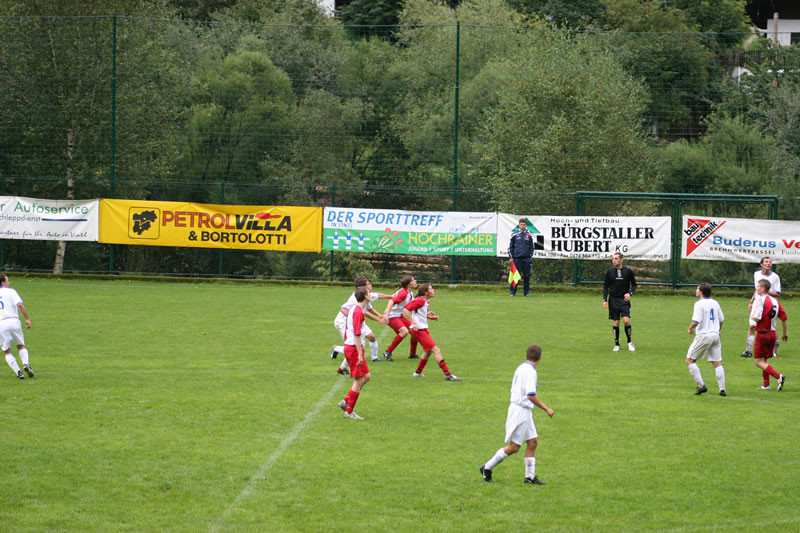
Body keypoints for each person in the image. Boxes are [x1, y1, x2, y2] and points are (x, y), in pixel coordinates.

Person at [479, 344, 554, 485]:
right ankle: (486, 467)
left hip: (523, 410)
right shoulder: (531, 372)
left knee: (533, 442)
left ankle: (530, 477)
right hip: (521, 411)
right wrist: (546, 408)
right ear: (540, 358)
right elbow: (531, 395)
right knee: (514, 447)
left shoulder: (521, 367)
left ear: (526, 356)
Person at [330, 277, 389, 374]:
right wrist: (353, 318)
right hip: (343, 323)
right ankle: (340, 360)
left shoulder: (364, 298)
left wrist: (379, 317)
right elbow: (343, 309)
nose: (371, 285)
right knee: (353, 346)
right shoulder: (355, 299)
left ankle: (344, 367)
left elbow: (367, 310)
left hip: (356, 322)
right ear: (363, 288)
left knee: (365, 341)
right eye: (368, 284)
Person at [403, 283, 461, 381]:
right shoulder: (421, 300)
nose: (433, 290)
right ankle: (448, 374)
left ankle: (418, 372)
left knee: (428, 351)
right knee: (436, 350)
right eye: (431, 289)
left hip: (422, 329)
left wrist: (430, 317)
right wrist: (413, 322)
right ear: (426, 292)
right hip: (419, 330)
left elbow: (419, 313)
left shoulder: (426, 301)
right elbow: (406, 309)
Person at [685, 283, 726, 396]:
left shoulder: (699, 304)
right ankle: (722, 390)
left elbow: (696, 321)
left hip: (704, 336)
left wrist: (690, 328)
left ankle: (701, 386)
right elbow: (721, 320)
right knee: (717, 362)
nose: (696, 290)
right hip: (715, 336)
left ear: (701, 292)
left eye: (697, 289)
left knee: (689, 360)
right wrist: (718, 331)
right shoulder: (715, 303)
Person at [337, 287, 372, 420]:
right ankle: (349, 412)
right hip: (353, 348)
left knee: (367, 377)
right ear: (365, 296)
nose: (371, 294)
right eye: (369, 293)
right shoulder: (358, 312)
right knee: (359, 380)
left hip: (352, 347)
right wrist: (360, 355)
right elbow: (357, 334)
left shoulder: (355, 308)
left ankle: (346, 402)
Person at [749, 279, 788, 391]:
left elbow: (756, 318)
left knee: (758, 362)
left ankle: (778, 376)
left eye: (757, 287)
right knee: (764, 360)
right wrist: (785, 333)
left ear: (762, 288)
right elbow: (784, 317)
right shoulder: (775, 301)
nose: (756, 289)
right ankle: (766, 385)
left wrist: (752, 319)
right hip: (772, 334)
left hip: (763, 333)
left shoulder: (760, 300)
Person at [741, 256, 782, 358]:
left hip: (769, 304)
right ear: (761, 264)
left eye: (770, 262)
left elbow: (778, 293)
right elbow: (757, 289)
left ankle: (773, 351)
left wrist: (766, 292)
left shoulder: (775, 277)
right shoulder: (757, 274)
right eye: (766, 262)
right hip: (758, 304)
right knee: (752, 326)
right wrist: (751, 301)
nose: (768, 264)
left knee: (771, 327)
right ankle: (748, 351)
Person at [0, 273, 34, 379]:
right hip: (14, 321)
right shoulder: (11, 291)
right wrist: (27, 319)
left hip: (1, 323)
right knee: (20, 345)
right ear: (3, 282)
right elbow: (20, 305)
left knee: (7, 351)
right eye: (7, 280)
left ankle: (18, 372)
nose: (9, 282)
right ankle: (25, 364)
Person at [603, 252, 637, 352]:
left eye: (616, 258)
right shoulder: (609, 272)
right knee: (616, 322)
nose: (614, 260)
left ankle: (629, 342)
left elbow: (634, 285)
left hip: (624, 300)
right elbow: (605, 287)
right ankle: (617, 344)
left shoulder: (628, 271)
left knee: (626, 321)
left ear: (621, 260)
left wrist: (629, 294)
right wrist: (604, 300)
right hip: (613, 300)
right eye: (613, 258)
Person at [381, 275, 420, 361]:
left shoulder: (409, 292)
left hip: (399, 315)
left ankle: (412, 354)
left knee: (415, 331)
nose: (415, 281)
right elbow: (391, 301)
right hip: (392, 316)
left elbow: (412, 305)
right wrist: (387, 315)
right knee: (404, 332)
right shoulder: (404, 293)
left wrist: (426, 313)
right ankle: (388, 352)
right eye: (413, 280)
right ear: (408, 284)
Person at [508, 218, 535, 296]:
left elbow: (531, 247)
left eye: (524, 224)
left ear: (526, 225)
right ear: (519, 225)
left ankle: (526, 292)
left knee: (526, 276)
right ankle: (513, 292)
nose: (522, 226)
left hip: (526, 259)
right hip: (517, 259)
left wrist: (530, 256)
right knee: (515, 276)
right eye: (521, 224)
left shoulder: (529, 235)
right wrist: (511, 257)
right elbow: (510, 247)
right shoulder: (514, 234)